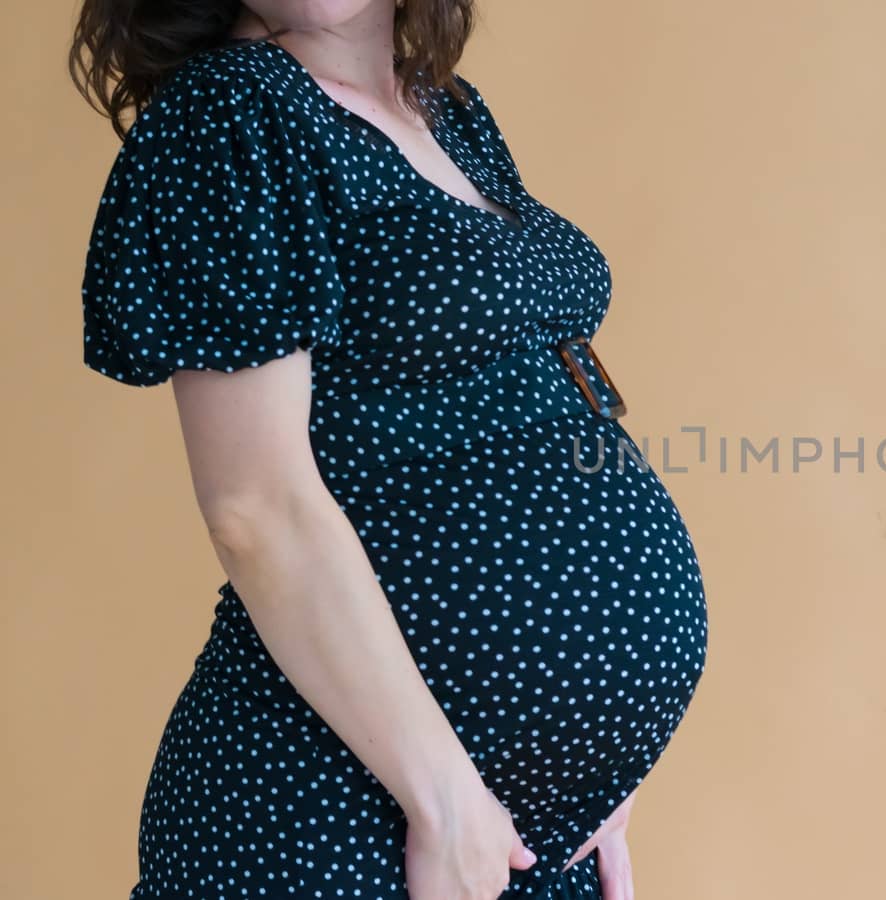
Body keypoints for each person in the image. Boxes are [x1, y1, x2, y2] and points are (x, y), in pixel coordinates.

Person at [68, 2, 710, 898]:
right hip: (350, 819)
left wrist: (597, 760)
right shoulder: (232, 113)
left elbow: (515, 382)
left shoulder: (447, 111)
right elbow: (255, 507)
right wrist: (444, 802)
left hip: (521, 825)